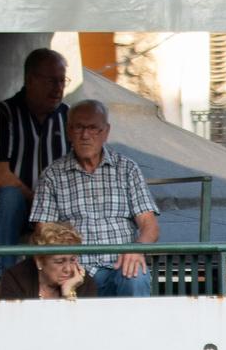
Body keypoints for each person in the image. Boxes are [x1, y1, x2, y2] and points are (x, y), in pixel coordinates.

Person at [29, 100, 159, 297]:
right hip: (75, 269)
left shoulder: (127, 169)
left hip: (121, 266)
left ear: (106, 132)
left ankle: (136, 328)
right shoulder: (52, 175)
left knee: (136, 277)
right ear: (69, 131)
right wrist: (67, 263)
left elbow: (150, 226)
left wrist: (136, 249)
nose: (85, 135)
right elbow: (43, 230)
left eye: (93, 128)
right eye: (79, 127)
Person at [0, 47, 70, 270]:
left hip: (55, 207)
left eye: (62, 81)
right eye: (51, 81)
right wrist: (38, 201)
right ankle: (6, 280)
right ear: (30, 80)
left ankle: (77, 282)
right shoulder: (3, 114)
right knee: (10, 197)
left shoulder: (68, 116)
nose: (58, 88)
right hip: (8, 208)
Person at [0, 220, 86, 302]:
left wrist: (68, 293)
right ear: (39, 261)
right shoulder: (15, 278)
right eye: (60, 261)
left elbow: (79, 320)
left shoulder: (82, 282)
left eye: (72, 260)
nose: (68, 269)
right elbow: (11, 318)